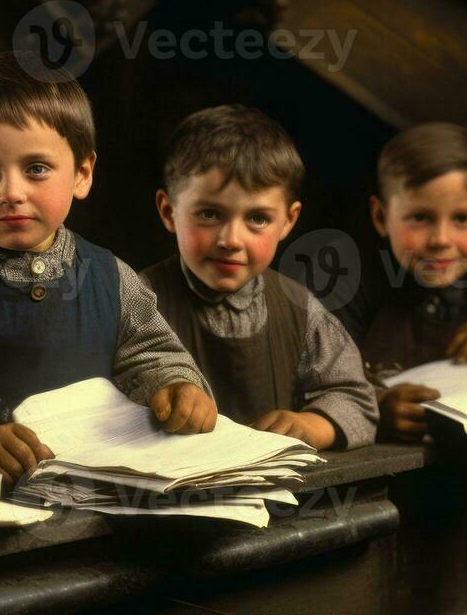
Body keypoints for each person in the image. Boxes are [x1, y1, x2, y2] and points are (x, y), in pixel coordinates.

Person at [0, 51, 216, 485]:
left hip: (106, 502)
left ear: (82, 173)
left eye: (36, 168)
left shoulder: (112, 277)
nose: (10, 192)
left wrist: (178, 388)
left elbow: (152, 356)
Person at [141, 105, 376, 451]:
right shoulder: (135, 298)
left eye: (258, 219)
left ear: (288, 221)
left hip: (280, 501)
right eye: (209, 214)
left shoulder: (300, 309)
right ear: (169, 211)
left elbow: (357, 401)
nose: (231, 240)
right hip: (162, 497)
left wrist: (309, 425)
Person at [338, 122, 467, 441]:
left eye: (462, 219)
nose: (441, 240)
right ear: (381, 218)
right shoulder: (350, 276)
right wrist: (376, 406)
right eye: (420, 218)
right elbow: (321, 378)